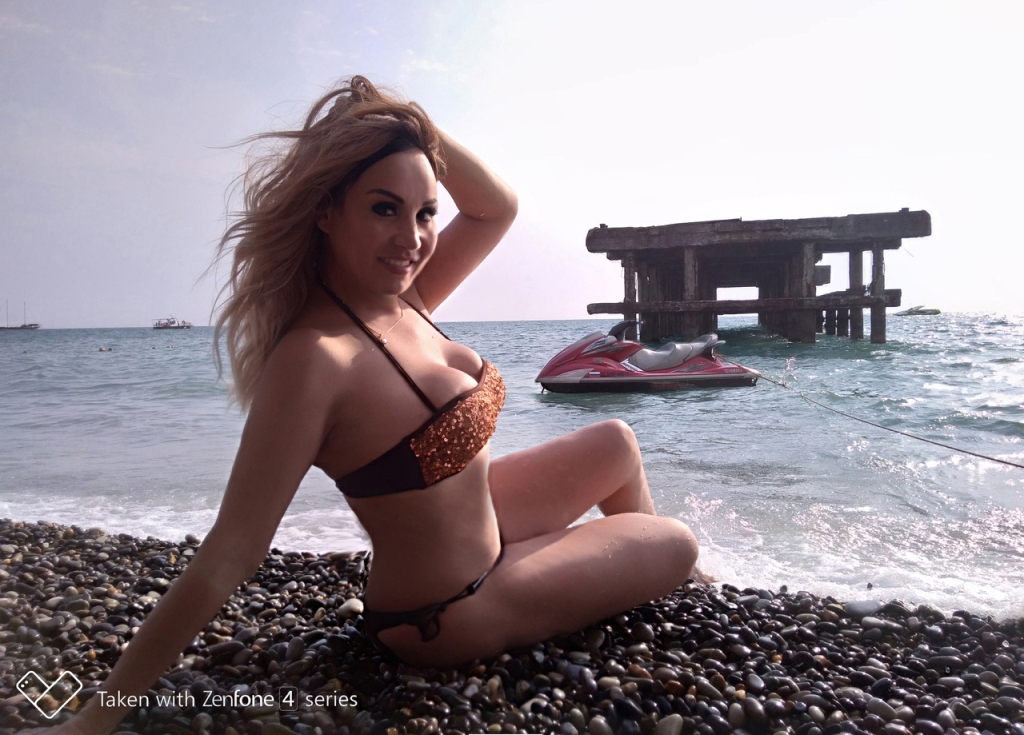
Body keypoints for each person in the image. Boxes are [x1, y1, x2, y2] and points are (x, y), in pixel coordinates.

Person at [22, 76, 702, 735]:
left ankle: (638, 577)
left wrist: (410, 121)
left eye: (425, 213)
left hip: (487, 528)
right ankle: (663, 580)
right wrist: (92, 720)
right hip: (447, 608)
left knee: (615, 441)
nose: (412, 237)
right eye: (384, 209)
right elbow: (230, 551)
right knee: (676, 542)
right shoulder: (314, 360)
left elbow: (495, 207)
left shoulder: (406, 299)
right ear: (326, 212)